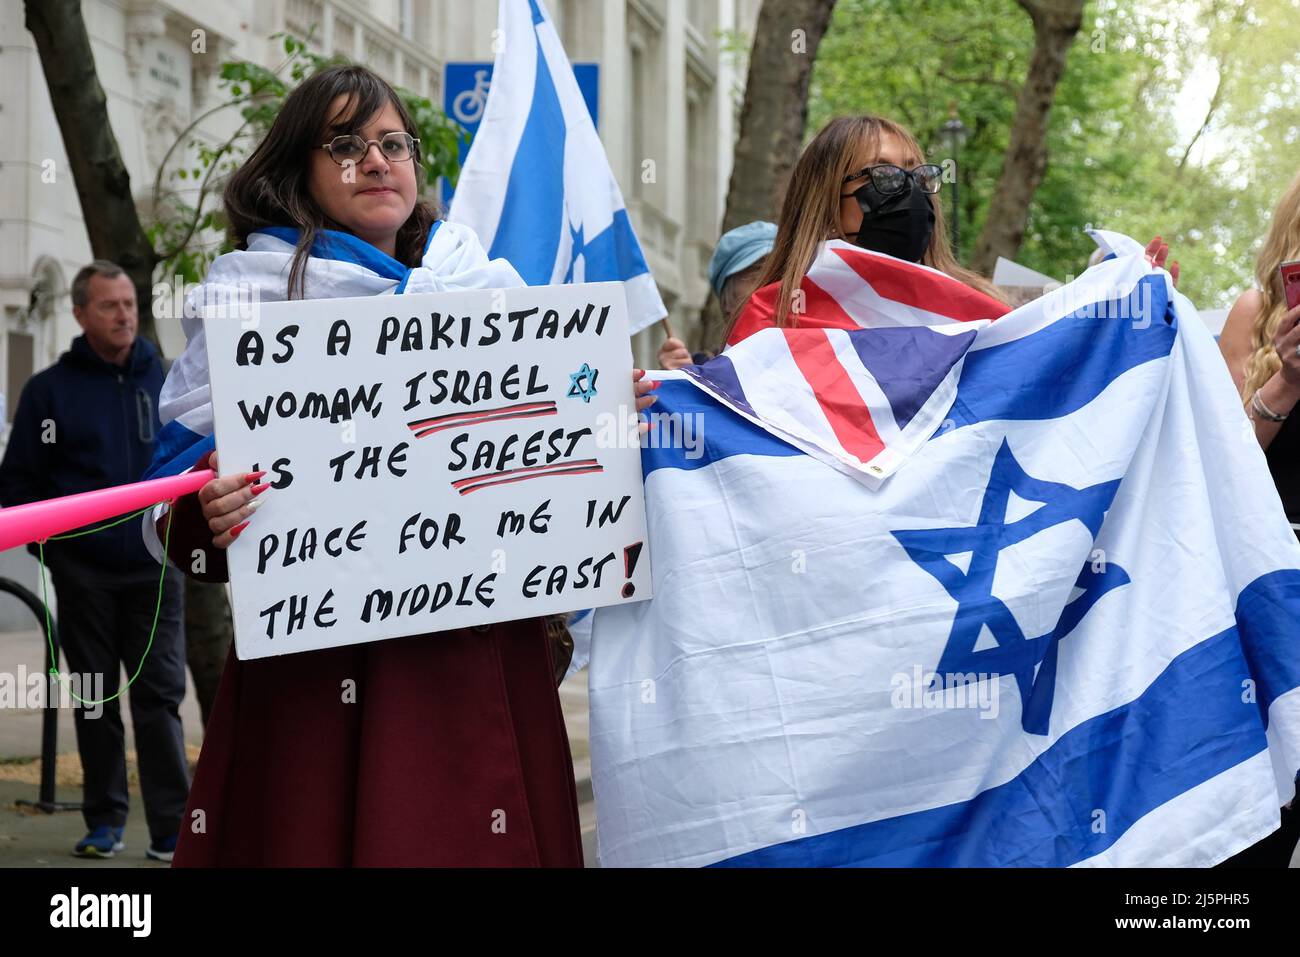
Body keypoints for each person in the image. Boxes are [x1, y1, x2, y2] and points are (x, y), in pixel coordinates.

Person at [150, 64, 656, 867]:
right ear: (298, 174)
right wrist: (205, 511)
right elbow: (177, 502)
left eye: (394, 143)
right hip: (324, 692)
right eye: (346, 145)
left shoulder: (484, 288)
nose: (378, 161)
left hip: (482, 667)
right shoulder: (249, 300)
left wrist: (605, 425)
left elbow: (554, 462)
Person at [0, 260, 189, 861]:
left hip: (157, 569)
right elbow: (19, 485)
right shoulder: (49, 393)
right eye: (109, 306)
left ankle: (170, 831)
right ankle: (104, 822)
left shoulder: (167, 380)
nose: (124, 315)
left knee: (158, 698)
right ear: (81, 314)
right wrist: (53, 548)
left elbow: (198, 459)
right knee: (94, 696)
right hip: (83, 575)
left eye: (130, 304)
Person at [1215, 169, 1300, 868]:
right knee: (1270, 816)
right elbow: (1219, 467)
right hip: (1275, 588)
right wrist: (1287, 380)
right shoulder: (1254, 311)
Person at [657, 221, 777, 370]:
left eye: (782, 274)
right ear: (726, 300)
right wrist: (678, 384)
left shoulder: (809, 368)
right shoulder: (700, 376)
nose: (775, 286)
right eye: (758, 272)